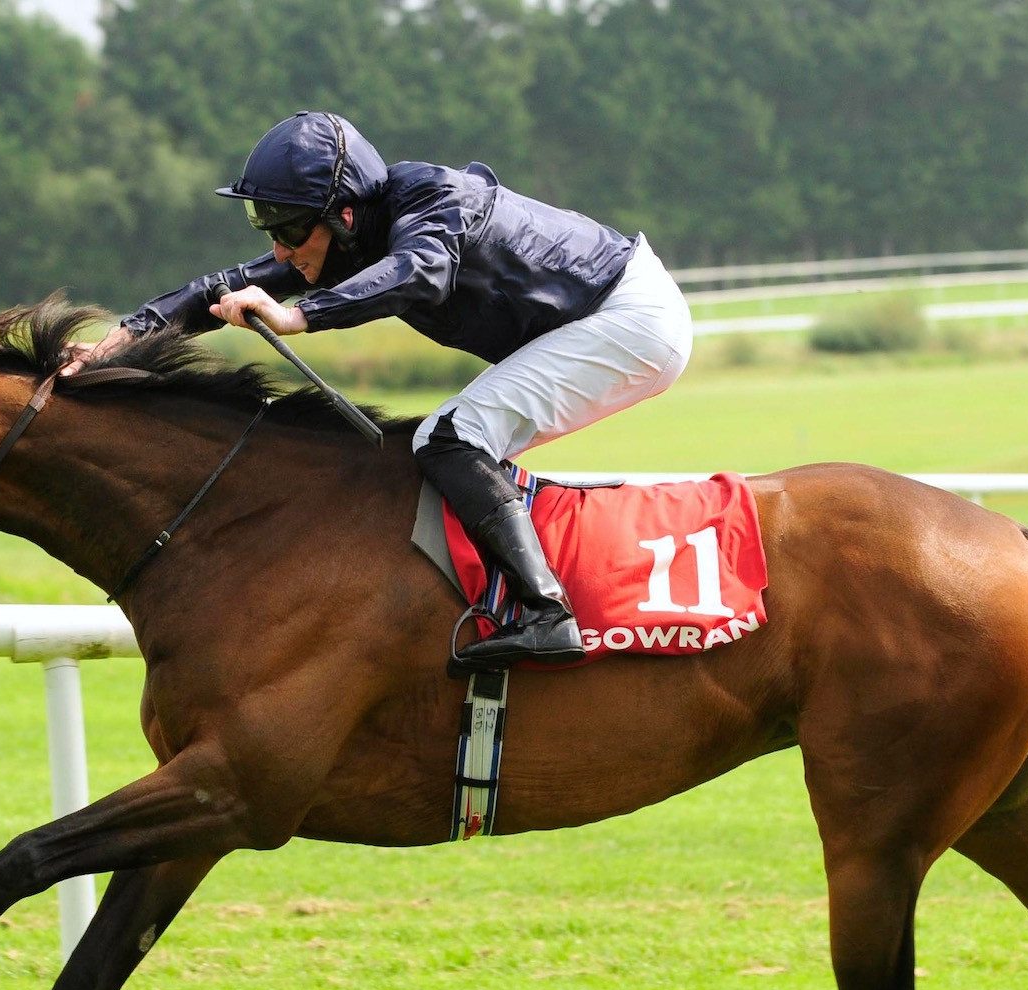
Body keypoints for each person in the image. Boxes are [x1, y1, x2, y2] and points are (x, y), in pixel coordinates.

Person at [68, 111, 692, 669]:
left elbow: (420, 272)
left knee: (449, 437)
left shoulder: (435, 200)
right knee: (447, 441)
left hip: (628, 316)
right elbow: (223, 285)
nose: (278, 248)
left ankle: (545, 612)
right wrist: (115, 343)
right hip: (605, 315)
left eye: (287, 227)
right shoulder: (346, 235)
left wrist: (300, 315)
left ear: (343, 213)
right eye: (268, 227)